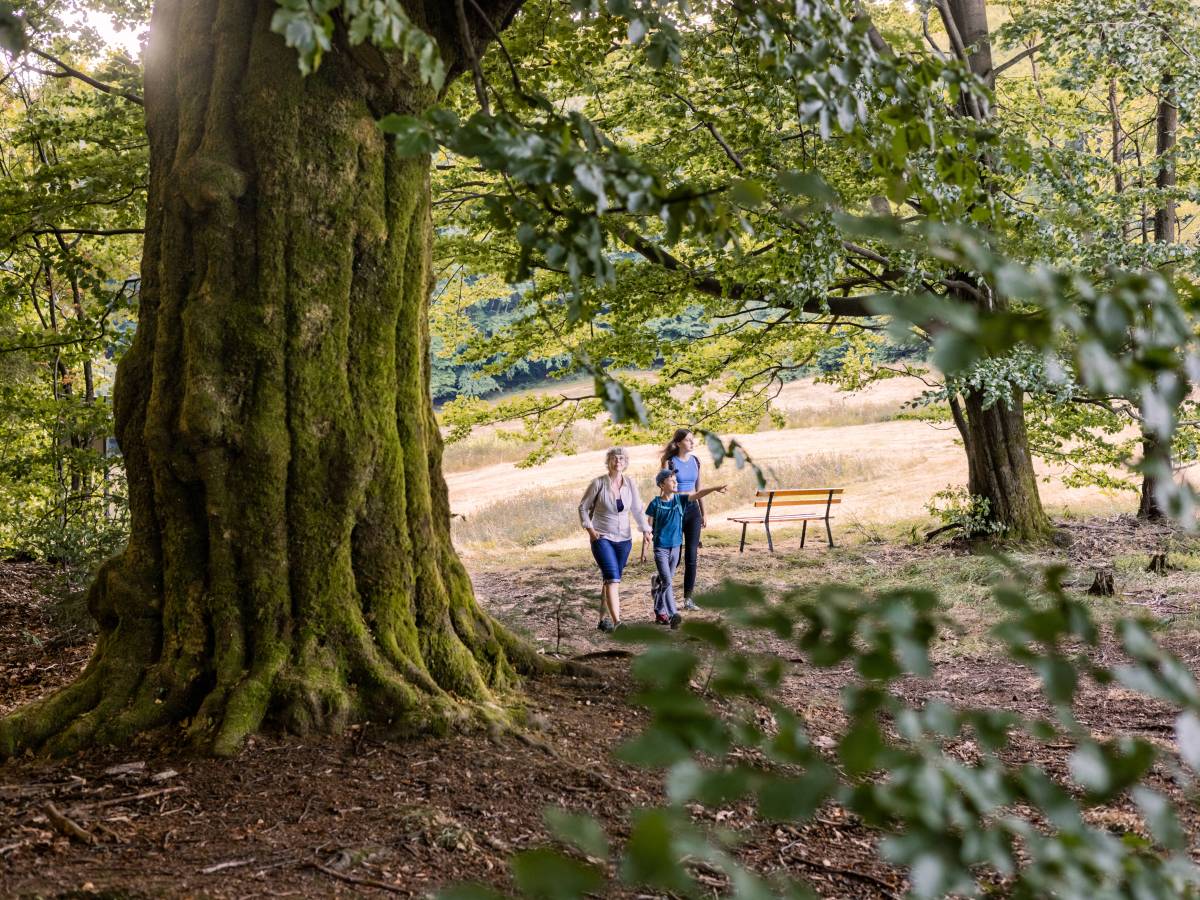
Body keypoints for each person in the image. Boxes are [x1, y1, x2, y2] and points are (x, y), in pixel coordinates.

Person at [578, 447, 653, 632]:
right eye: (614, 458)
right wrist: (591, 531)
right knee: (613, 579)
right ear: (608, 462)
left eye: (621, 458)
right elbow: (582, 507)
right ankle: (618, 622)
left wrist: (646, 530)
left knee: (610, 579)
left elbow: (636, 509)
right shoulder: (598, 483)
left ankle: (602, 620)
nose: (618, 461)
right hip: (602, 538)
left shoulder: (630, 483)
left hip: (624, 540)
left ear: (625, 462)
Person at [646, 469, 726, 626]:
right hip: (660, 548)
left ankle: (658, 607)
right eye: (671, 480)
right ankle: (673, 614)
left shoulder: (680, 499)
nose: (676, 482)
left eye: (676, 479)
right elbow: (647, 524)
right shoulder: (655, 503)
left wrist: (714, 488)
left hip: (675, 547)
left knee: (665, 581)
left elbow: (698, 493)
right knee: (668, 581)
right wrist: (647, 535)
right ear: (662, 484)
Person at [660, 428, 708, 610]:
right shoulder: (670, 462)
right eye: (688, 440)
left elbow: (698, 488)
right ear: (679, 443)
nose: (692, 442)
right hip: (675, 509)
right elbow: (663, 489)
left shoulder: (696, 461)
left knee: (692, 556)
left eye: (692, 439)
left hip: (693, 510)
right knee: (674, 556)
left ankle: (688, 599)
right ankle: (662, 589)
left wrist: (703, 512)